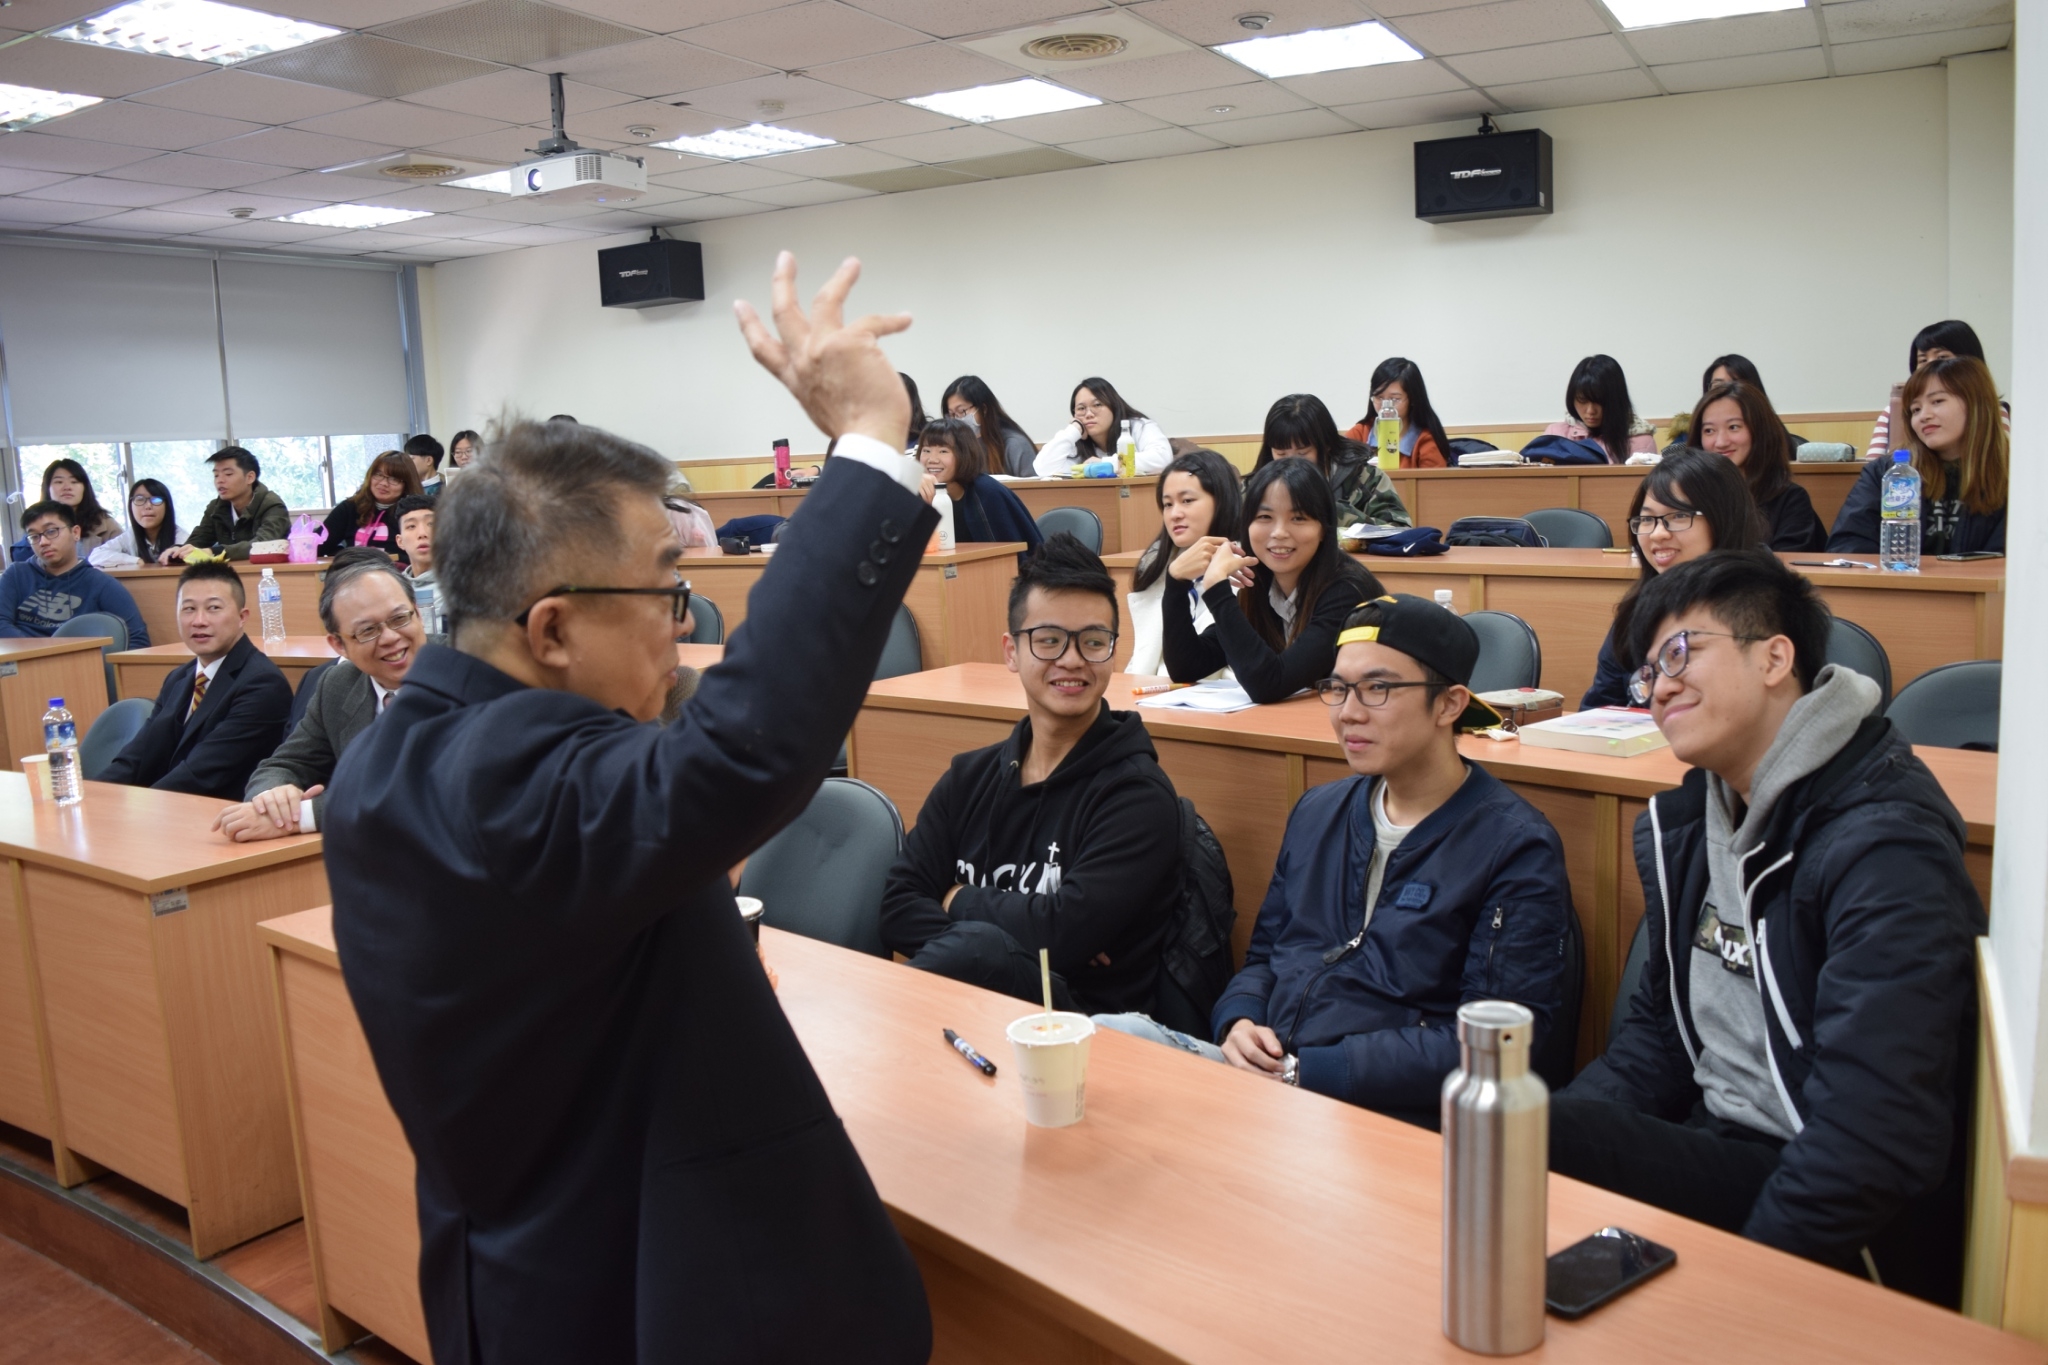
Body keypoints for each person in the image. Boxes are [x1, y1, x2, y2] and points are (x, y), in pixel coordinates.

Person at [322, 252, 937, 1365]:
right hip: (646, 1295)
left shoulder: (390, 761)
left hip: (520, 1271)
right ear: (552, 629)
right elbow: (741, 750)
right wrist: (870, 443)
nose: (681, 620)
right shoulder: (508, 779)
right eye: (663, 587)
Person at [1552, 550, 1983, 1304]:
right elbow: (1659, 1038)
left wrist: (1752, 1292)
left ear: (1775, 658)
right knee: (1517, 1128)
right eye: (1648, 672)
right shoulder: (1699, 819)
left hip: (1829, 1191)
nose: (1660, 686)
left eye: (1681, 653)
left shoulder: (1884, 845)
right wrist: (1563, 1131)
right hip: (1720, 1138)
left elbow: (1876, 1134)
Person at [1102, 595, 1573, 1128]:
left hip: (1385, 1118)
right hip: (1273, 1082)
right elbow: (1266, 958)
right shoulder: (1319, 811)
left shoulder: (1514, 846)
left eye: (1378, 689)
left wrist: (1315, 1072)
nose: (1348, 712)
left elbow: (1496, 1043)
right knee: (1108, 1040)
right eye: (1337, 688)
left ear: (1449, 704)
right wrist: (1239, 1020)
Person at [880, 534, 1181, 1014]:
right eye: (1048, 641)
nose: (1072, 660)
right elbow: (897, 906)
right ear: (1011, 651)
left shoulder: (1137, 796)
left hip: (1083, 1029)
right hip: (968, 1015)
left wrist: (955, 896)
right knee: (976, 951)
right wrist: (1024, 935)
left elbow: (1058, 936)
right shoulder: (968, 778)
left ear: (1112, 651)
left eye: (1094, 641)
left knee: (978, 951)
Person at [218, 548, 425, 840]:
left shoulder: (469, 671)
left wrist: (303, 816)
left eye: (400, 619)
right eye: (368, 631)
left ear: (418, 613)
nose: (391, 637)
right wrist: (274, 800)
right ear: (339, 645)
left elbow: (420, 792)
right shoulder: (338, 684)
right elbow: (284, 765)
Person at [1162, 457, 1383, 704]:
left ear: (1324, 529)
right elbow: (1188, 667)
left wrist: (1217, 589)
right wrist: (1175, 584)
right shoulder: (1262, 586)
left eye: (1298, 518)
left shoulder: (1346, 591)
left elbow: (1269, 684)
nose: (1279, 532)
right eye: (1265, 517)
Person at [1582, 447, 1763, 709]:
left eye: (1678, 516)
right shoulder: (1638, 609)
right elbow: (1599, 709)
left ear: (1724, 518)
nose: (1658, 534)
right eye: (1647, 519)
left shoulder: (1766, 610)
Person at [102, 562, 291, 799]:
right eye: (189, 609)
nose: (199, 621)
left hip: (220, 811)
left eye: (213, 608)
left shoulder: (262, 684)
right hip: (169, 805)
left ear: (242, 617)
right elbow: (137, 755)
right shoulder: (178, 678)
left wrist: (140, 806)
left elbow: (201, 775)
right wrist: (96, 795)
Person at [1829, 354, 2007, 556]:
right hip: (1900, 576)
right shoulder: (1887, 471)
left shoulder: (2014, 475)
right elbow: (1846, 545)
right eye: (1915, 409)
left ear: (1976, 404)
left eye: (1937, 401)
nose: (1924, 416)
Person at [1125, 448, 1243, 678]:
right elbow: (1141, 661)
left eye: (1187, 501)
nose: (1174, 514)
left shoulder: (1242, 568)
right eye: (1167, 504)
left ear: (1221, 502)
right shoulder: (1157, 566)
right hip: (1152, 690)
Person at [1691, 381, 1825, 551]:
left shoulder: (1790, 499)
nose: (1720, 442)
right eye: (1709, 430)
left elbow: (1787, 563)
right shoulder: (1689, 495)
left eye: (1733, 427)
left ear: (1760, 431)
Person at [1254, 392, 1411, 529]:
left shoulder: (1365, 478)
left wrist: (1331, 511)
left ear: (1326, 445)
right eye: (1281, 453)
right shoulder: (1257, 485)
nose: (1291, 463)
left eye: (1302, 453)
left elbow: (1399, 531)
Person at [0, 501, 149, 644]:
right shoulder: (16, 575)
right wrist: (39, 654)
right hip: (19, 658)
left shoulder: (101, 584)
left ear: (75, 532)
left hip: (77, 659)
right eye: (34, 536)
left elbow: (137, 638)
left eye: (51, 531)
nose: (43, 542)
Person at [1862, 319, 2008, 459]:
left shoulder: (1993, 409)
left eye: (1942, 357)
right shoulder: (1892, 411)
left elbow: (2000, 457)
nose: (1931, 366)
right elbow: (1873, 464)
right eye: (1923, 360)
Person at [916, 418, 1042, 547]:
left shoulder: (987, 492)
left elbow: (1012, 550)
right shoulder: (918, 490)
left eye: (943, 451)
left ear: (964, 454)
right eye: (926, 451)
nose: (932, 459)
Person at [170, 447, 290, 562]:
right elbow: (199, 539)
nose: (220, 480)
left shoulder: (272, 505)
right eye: (216, 475)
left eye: (228, 474)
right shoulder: (215, 507)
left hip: (267, 571)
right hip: (226, 572)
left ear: (250, 477)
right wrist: (178, 551)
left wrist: (215, 551)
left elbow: (263, 545)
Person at [1033, 377, 1172, 476]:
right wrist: (1074, 429)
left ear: (1113, 406)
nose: (1089, 414)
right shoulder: (1077, 442)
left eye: (1097, 405)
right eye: (1081, 408)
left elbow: (1162, 459)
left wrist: (1105, 464)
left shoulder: (1139, 427)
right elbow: (1043, 468)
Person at [1544, 355, 1657, 463]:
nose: (1590, 411)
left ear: (1617, 400)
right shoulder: (1555, 435)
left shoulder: (1641, 442)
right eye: (1582, 400)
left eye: (1600, 401)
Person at [1343, 357, 1450, 468]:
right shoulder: (1360, 433)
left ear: (1413, 399)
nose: (1385, 406)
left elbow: (1433, 478)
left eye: (1394, 399)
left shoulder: (1426, 439)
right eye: (1379, 397)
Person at [323, 451, 424, 561]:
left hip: (397, 570)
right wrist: (344, 555)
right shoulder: (349, 508)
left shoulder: (414, 513)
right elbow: (318, 545)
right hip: (354, 570)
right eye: (379, 475)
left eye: (394, 479)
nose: (383, 483)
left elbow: (424, 555)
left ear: (407, 484)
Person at [941, 374, 1036, 477]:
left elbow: (1034, 485)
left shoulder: (1014, 444)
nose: (956, 419)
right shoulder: (955, 446)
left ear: (984, 409)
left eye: (962, 411)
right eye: (951, 414)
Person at [90, 478, 188, 569]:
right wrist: (135, 560)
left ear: (167, 506)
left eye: (156, 500)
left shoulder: (181, 537)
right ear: (130, 506)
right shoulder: (129, 536)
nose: (148, 506)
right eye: (140, 499)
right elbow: (95, 556)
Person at [41, 459, 123, 556]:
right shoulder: (36, 525)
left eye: (74, 482)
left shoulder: (107, 525)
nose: (67, 487)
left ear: (85, 488)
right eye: (59, 482)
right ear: (47, 488)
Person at [392, 495, 443, 634]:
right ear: (400, 541)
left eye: (431, 524)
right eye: (411, 526)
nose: (422, 533)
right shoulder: (393, 589)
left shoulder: (465, 587)